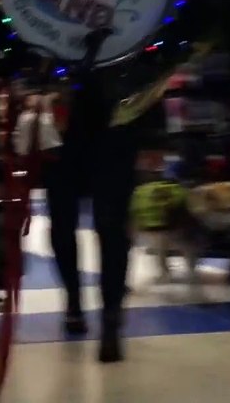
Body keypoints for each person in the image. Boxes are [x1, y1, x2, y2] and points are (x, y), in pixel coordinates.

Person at [44, 67, 140, 363]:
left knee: (110, 229)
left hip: (114, 128)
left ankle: (110, 320)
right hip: (65, 132)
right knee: (64, 227)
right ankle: (75, 302)